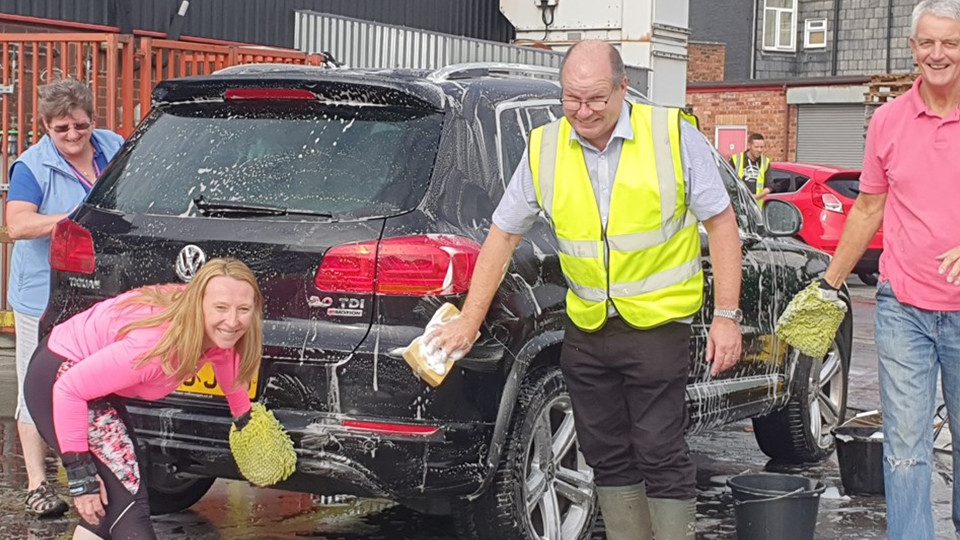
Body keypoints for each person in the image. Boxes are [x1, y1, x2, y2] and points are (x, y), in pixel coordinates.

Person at [426, 40, 743, 539]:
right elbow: (502, 234)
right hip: (588, 327)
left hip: (658, 326)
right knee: (605, 453)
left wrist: (726, 315)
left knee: (660, 449)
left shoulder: (672, 137)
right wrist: (469, 317)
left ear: (623, 88)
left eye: (595, 98)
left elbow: (723, 225)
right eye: (571, 99)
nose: (583, 111)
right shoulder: (546, 146)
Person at [811, 1, 960, 538]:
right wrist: (828, 286)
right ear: (913, 47)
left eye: (950, 42)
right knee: (905, 448)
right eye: (927, 43)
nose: (937, 54)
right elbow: (869, 207)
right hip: (903, 308)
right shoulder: (889, 121)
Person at [23, 258, 263, 539]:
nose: (233, 321)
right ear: (199, 304)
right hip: (59, 382)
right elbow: (68, 389)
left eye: (243, 310)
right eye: (221, 308)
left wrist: (244, 418)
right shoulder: (156, 347)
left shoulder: (210, 325)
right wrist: (80, 475)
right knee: (126, 511)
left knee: (112, 507)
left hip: (88, 386)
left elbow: (224, 354)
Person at [5, 78, 124, 518]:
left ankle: (97, 475)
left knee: (93, 385)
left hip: (99, 294)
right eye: (62, 129)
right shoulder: (31, 167)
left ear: (94, 121)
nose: (73, 136)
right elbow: (18, 224)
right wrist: (78, 218)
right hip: (44, 296)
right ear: (45, 126)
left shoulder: (113, 147)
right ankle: (38, 484)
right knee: (33, 388)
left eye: (81, 126)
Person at [729, 133, 770, 204]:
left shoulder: (765, 161)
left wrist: (756, 197)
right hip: (738, 204)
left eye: (762, 147)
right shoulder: (736, 159)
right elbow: (728, 182)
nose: (759, 150)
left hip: (756, 206)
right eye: (756, 147)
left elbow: (769, 186)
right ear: (749, 146)